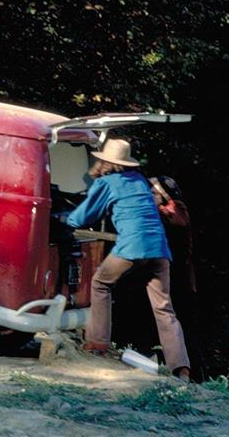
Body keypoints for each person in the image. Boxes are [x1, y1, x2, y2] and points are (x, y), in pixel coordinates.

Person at [63, 138, 191, 381]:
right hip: (159, 250)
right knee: (164, 309)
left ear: (105, 162)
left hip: (133, 246)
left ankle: (97, 343)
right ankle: (181, 368)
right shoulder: (140, 180)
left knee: (101, 284)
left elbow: (82, 217)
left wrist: (64, 219)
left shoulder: (107, 183)